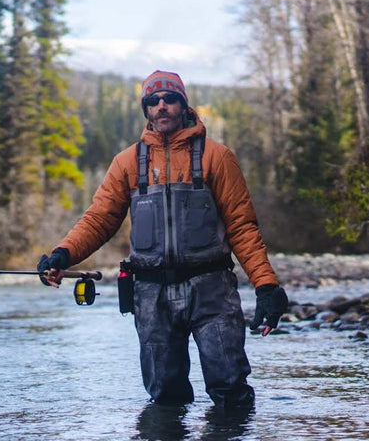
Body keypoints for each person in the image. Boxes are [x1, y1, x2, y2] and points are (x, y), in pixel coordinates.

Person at [38, 70, 288, 409]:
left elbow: (242, 227)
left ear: (183, 105)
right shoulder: (126, 162)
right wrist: (62, 254)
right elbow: (99, 220)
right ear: (146, 110)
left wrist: (266, 286)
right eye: (153, 101)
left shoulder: (218, 157)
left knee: (230, 389)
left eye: (170, 98)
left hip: (211, 289)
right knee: (165, 397)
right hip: (151, 295)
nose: (161, 106)